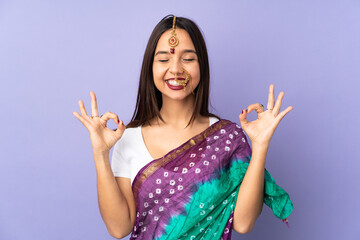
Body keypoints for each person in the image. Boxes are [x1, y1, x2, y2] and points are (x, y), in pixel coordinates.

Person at [73, 15, 293, 240]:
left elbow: (244, 223)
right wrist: (101, 154)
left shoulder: (227, 138)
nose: (175, 69)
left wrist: (260, 145)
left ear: (202, 66)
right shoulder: (128, 139)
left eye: (188, 59)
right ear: (150, 67)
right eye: (163, 60)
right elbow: (119, 229)